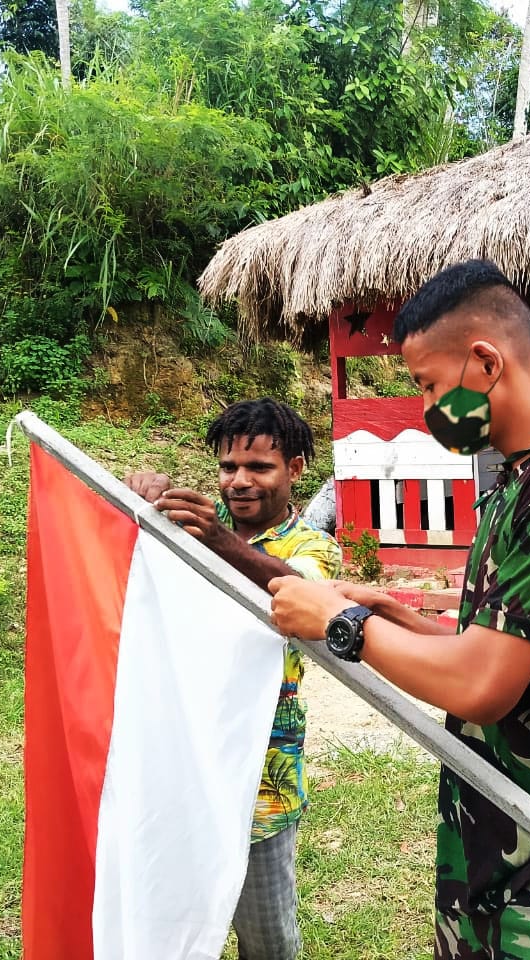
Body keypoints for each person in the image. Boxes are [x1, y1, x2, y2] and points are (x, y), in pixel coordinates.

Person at [268, 259, 530, 959]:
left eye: (429, 385)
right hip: (505, 858)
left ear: (485, 361)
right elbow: (503, 648)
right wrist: (391, 611)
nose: (427, 408)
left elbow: (482, 686)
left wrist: (339, 625)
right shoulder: (525, 483)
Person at [125, 397, 341, 960]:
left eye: (260, 468)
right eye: (228, 468)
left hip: (260, 783)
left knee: (267, 939)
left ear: (295, 470)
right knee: (171, 917)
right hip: (181, 766)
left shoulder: (308, 547)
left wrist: (219, 541)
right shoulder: (187, 534)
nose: (240, 482)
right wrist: (136, 501)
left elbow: (305, 596)